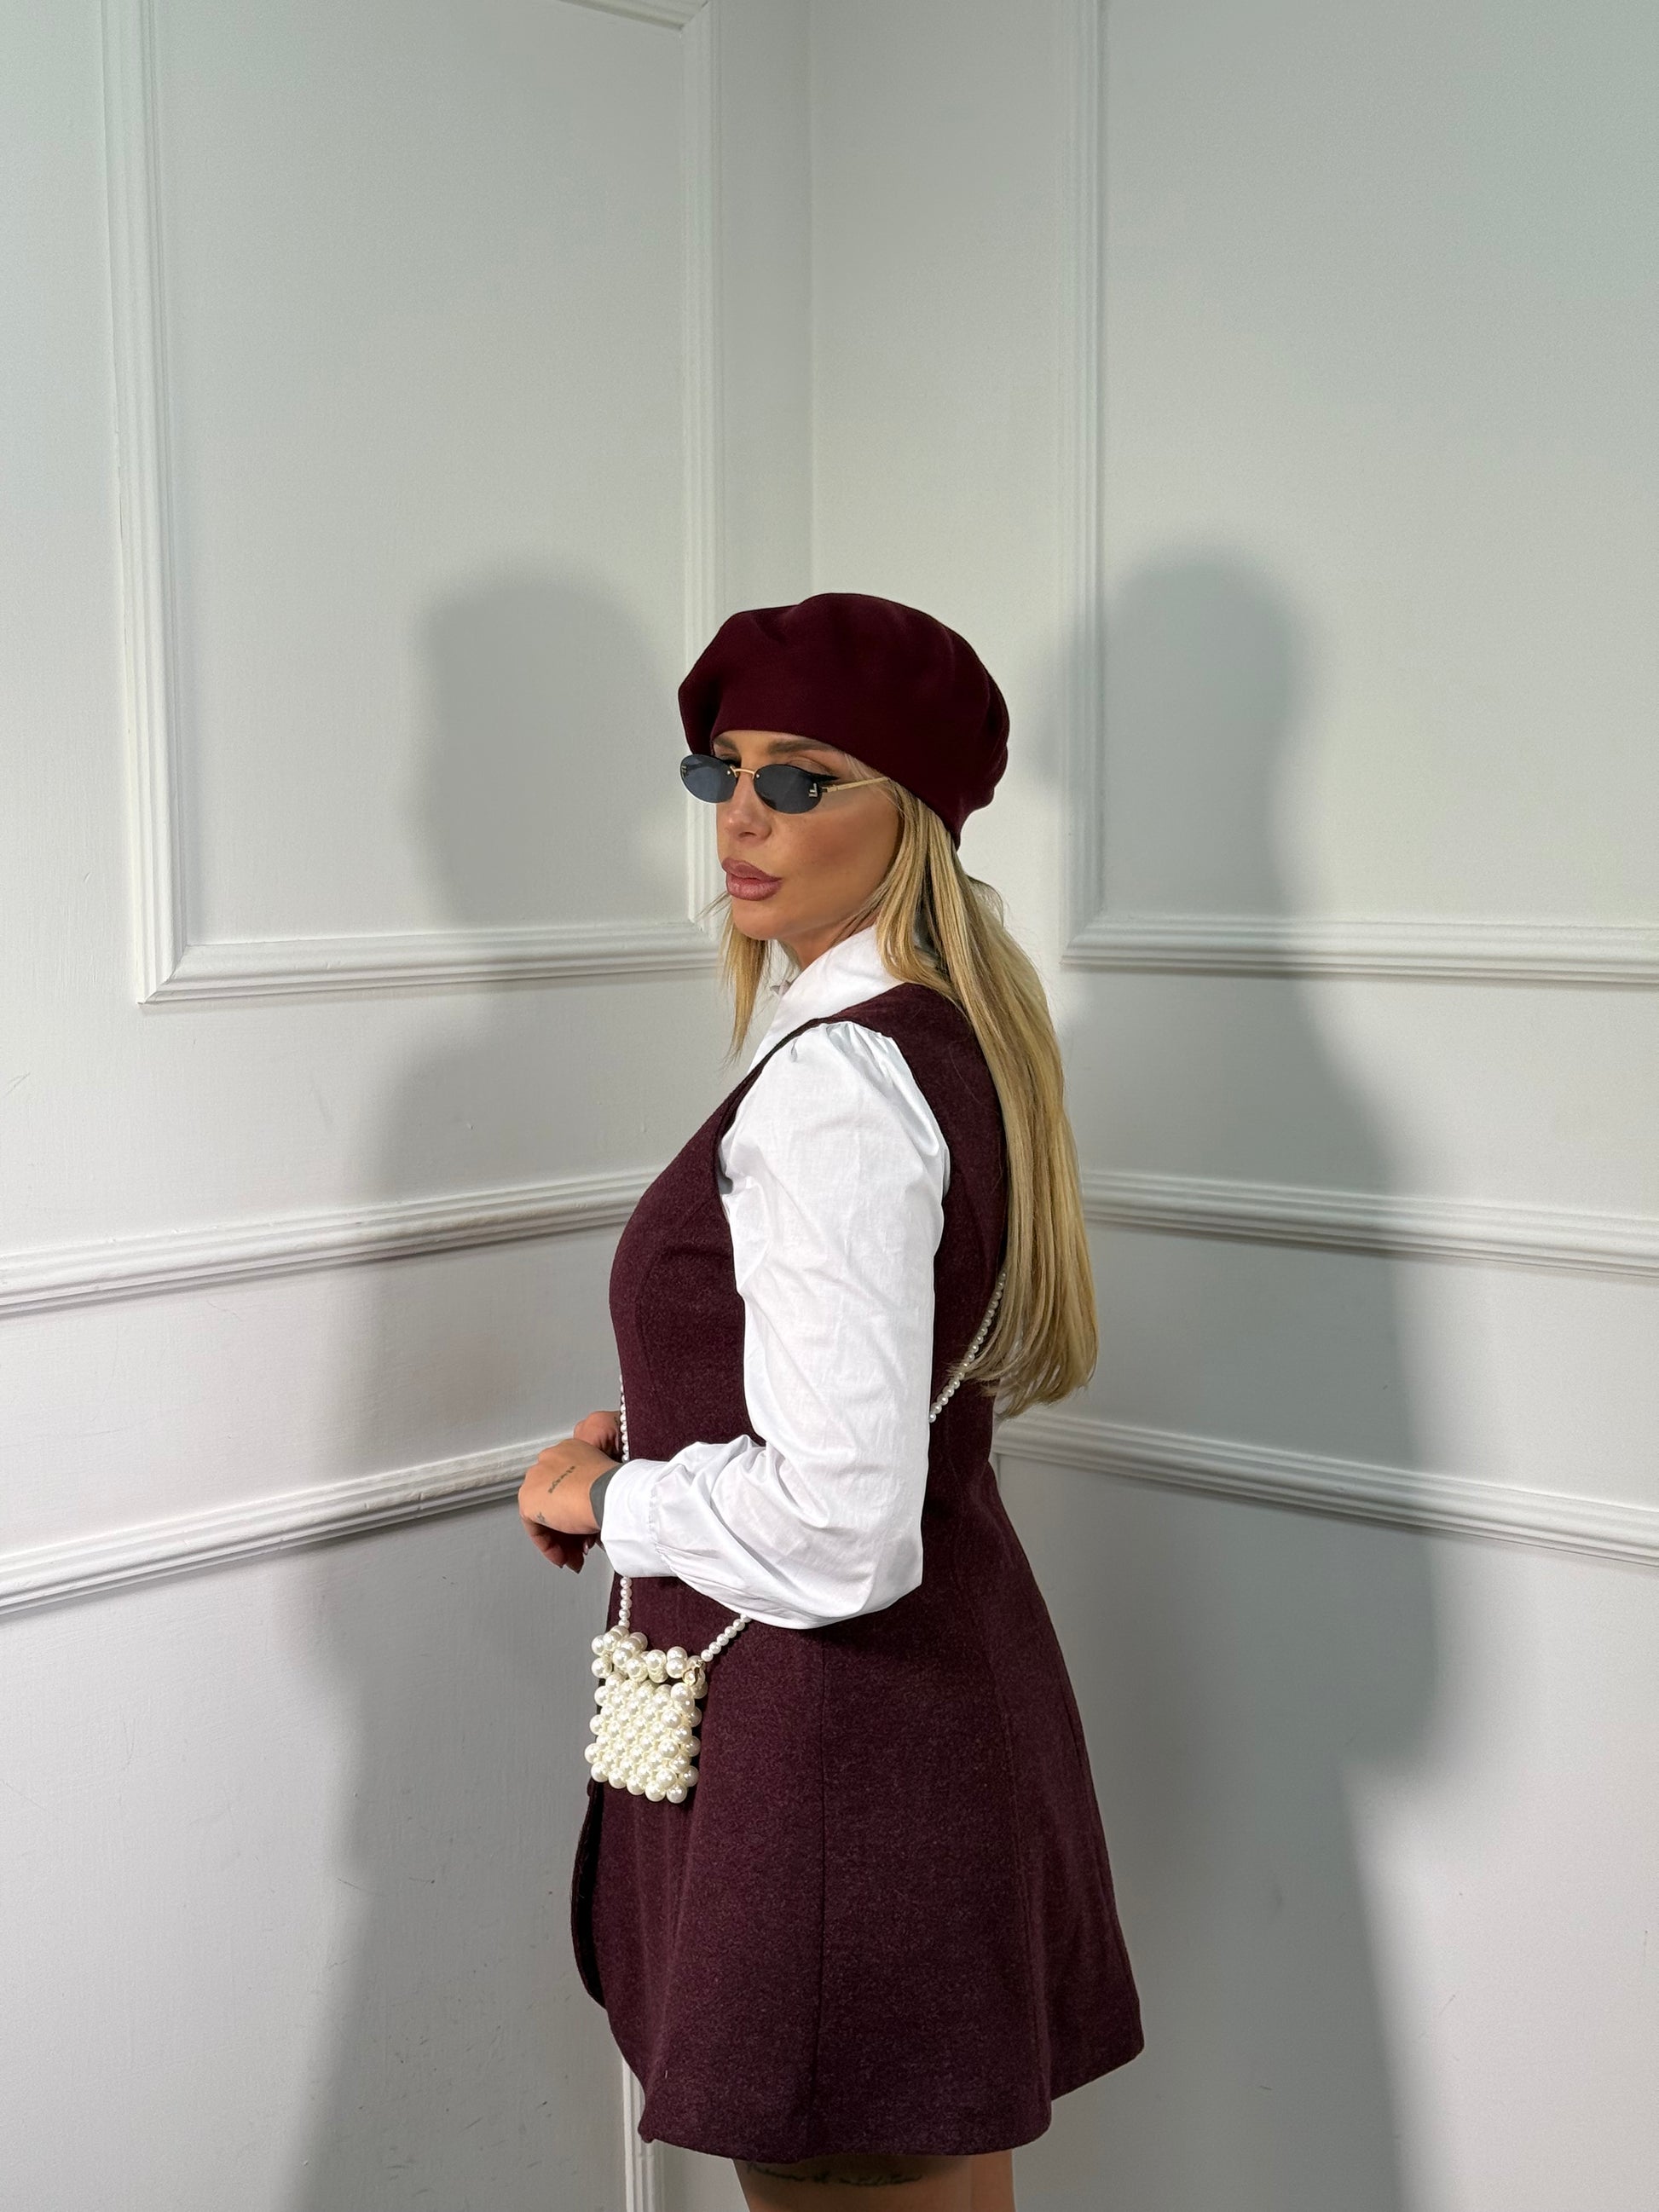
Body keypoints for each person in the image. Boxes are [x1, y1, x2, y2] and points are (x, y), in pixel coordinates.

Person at [517, 592, 1143, 2210]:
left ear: (910, 814)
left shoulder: (835, 1085)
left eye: (798, 778)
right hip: (910, 1732)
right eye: (718, 770)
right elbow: (857, 1399)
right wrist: (661, 1421)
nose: (740, 816)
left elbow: (840, 1527)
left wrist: (606, 1498)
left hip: (831, 1763)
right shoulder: (924, 1036)